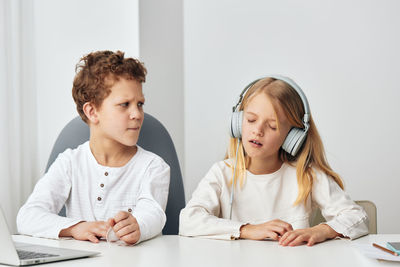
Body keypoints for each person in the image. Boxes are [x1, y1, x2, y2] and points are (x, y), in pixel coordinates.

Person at [179, 75, 368, 246]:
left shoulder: (306, 175)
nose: (257, 131)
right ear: (237, 122)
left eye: (272, 126)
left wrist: (320, 230)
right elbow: (188, 220)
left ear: (293, 136)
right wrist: (248, 229)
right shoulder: (222, 173)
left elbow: (357, 216)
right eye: (251, 120)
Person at [17, 50, 170, 245]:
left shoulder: (154, 166)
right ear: (92, 111)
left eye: (139, 104)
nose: (137, 114)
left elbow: (153, 214)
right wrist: (75, 228)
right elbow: (27, 217)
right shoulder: (70, 163)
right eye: (125, 104)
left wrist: (137, 225)